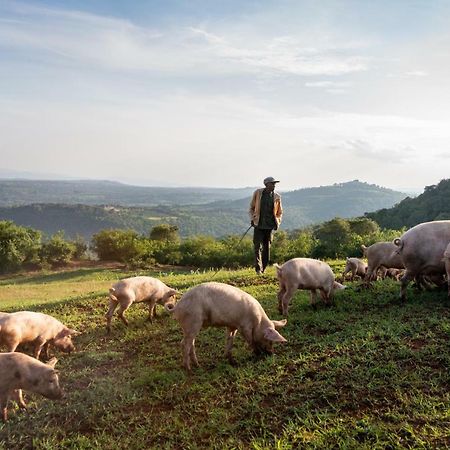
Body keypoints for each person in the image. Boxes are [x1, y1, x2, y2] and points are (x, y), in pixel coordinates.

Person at [249, 176, 283, 274]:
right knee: (257, 247)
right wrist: (252, 218)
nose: (274, 185)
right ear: (266, 184)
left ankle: (263, 268)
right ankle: (258, 269)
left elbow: (280, 212)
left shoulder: (277, 197)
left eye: (274, 184)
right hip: (258, 225)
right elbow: (251, 208)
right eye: (272, 183)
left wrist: (277, 222)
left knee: (266, 248)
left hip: (269, 227)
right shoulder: (258, 193)